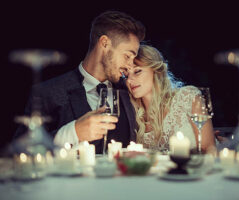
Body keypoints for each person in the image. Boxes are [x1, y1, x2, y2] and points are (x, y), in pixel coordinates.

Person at [14, 10, 146, 153]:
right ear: (104, 43)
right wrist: (72, 133)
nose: (130, 65)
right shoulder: (47, 92)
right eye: (127, 56)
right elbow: (20, 153)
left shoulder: (130, 91)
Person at [125, 44, 216, 154]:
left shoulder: (187, 97)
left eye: (137, 71)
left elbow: (210, 149)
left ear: (155, 70)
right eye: (126, 75)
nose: (129, 80)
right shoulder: (132, 115)